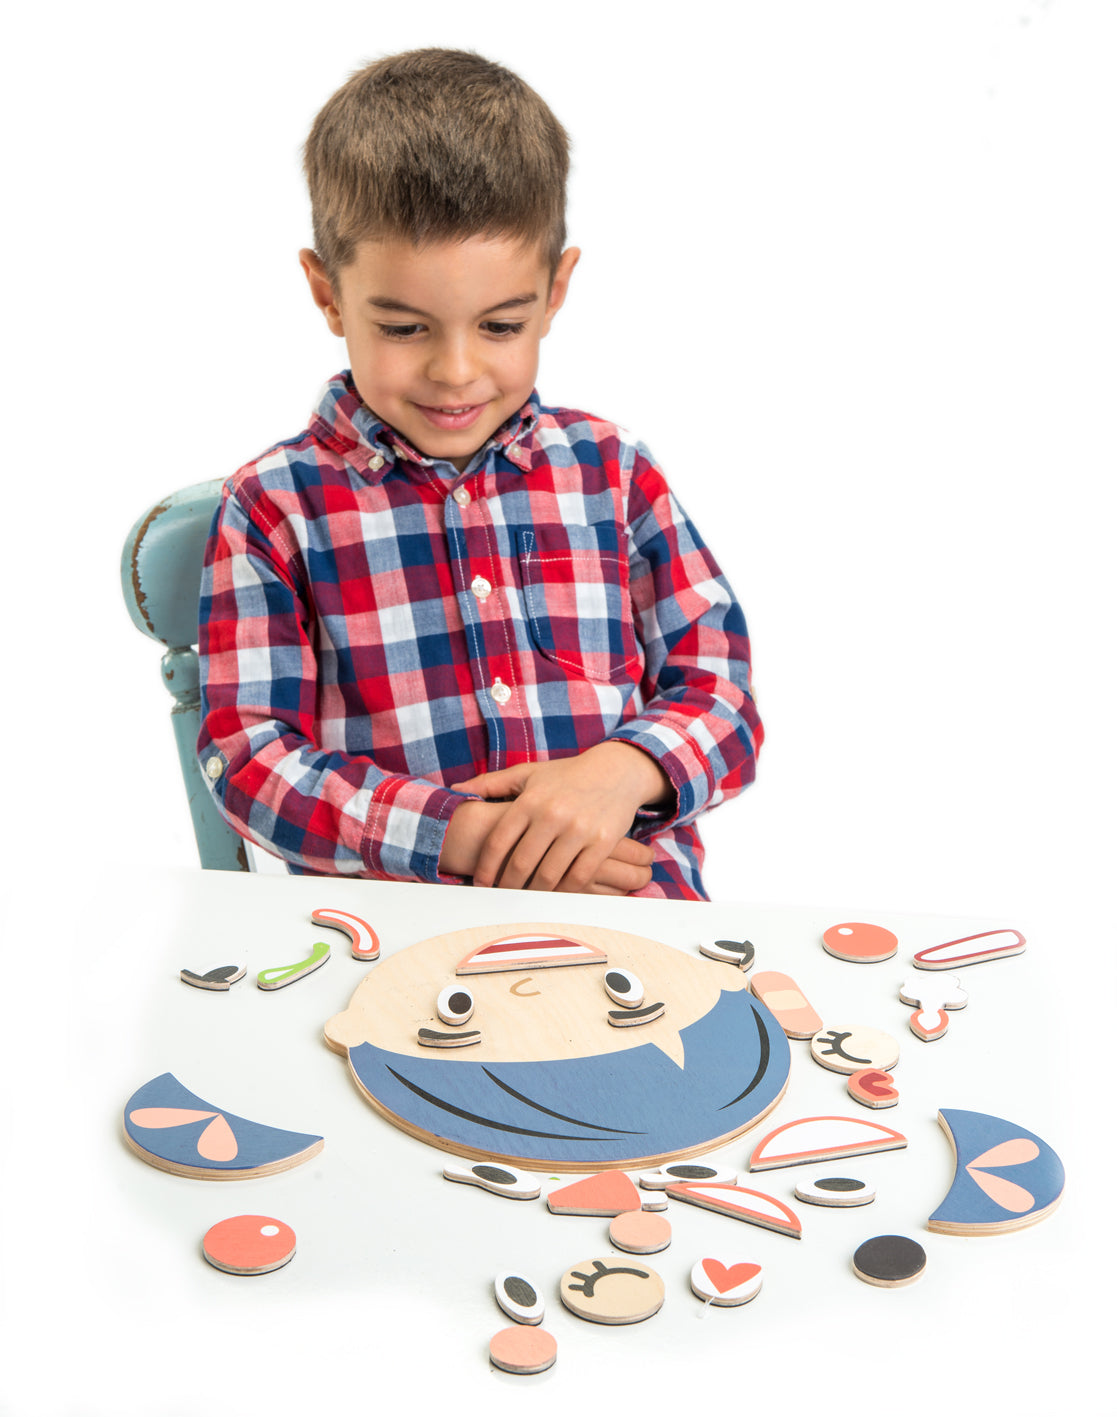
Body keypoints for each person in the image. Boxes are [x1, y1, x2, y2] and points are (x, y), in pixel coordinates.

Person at [197, 48, 763, 899]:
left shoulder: (611, 473)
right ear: (327, 294)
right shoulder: (275, 507)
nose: (455, 371)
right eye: (404, 329)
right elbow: (249, 758)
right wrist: (465, 834)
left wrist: (620, 772)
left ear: (555, 290)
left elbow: (722, 696)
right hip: (393, 933)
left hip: (635, 917)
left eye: (499, 326)